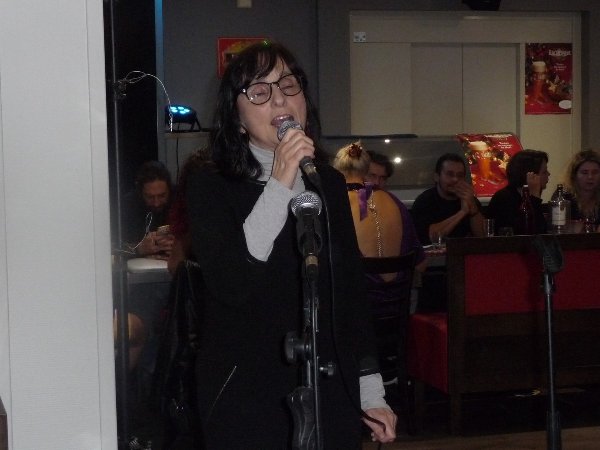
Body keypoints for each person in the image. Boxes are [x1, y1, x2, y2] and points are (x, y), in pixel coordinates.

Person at [185, 41, 396, 448]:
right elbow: (233, 282)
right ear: (237, 117)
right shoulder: (210, 185)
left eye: (288, 84)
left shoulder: (328, 182)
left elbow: (349, 294)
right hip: (246, 391)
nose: (279, 98)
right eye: (259, 91)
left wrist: (371, 392)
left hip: (329, 384)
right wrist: (281, 180)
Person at [333, 141, 426, 273]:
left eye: (383, 178)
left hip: (360, 285)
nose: (376, 182)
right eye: (372, 176)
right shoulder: (396, 204)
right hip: (401, 285)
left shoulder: (343, 203)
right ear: (362, 172)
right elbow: (421, 264)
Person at [411, 153, 485, 245]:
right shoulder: (424, 201)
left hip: (464, 252)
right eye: (450, 174)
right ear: (437, 177)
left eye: (460, 175)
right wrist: (462, 212)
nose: (455, 179)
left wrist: (473, 209)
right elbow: (433, 237)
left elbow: (484, 238)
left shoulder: (470, 200)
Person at [487, 149, 550, 235]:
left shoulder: (524, 195)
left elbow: (543, 231)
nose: (548, 174)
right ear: (530, 176)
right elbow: (526, 232)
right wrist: (535, 198)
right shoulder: (504, 198)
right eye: (544, 172)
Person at [121, 160, 175, 259]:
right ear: (140, 193)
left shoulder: (180, 200)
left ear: (170, 190)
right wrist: (139, 248)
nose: (156, 203)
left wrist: (180, 247)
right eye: (150, 197)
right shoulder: (128, 205)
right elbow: (112, 248)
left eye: (162, 196)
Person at [552, 149, 600, 227]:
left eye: (595, 172)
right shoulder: (564, 196)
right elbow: (558, 228)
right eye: (584, 172)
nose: (590, 177)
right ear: (574, 175)